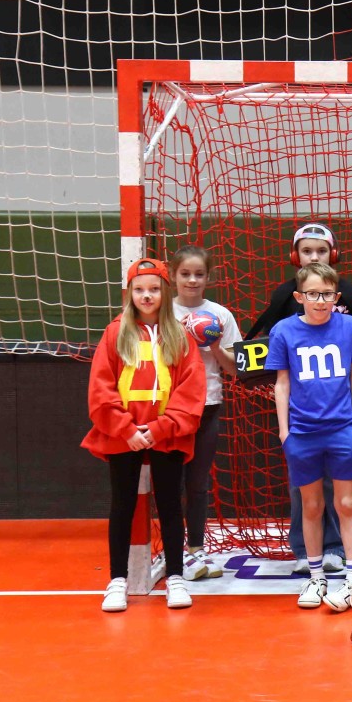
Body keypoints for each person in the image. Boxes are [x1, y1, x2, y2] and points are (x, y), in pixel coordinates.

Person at [245, 223, 352, 576]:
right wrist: (284, 429)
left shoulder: (347, 312)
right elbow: (269, 355)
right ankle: (305, 552)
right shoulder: (285, 312)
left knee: (341, 495)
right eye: (307, 250)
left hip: (341, 421)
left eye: (321, 250)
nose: (314, 256)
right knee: (305, 495)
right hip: (301, 422)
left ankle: (337, 551)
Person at [83, 258, 205, 613]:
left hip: (166, 435)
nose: (146, 296)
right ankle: (117, 580)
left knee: (170, 505)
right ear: (130, 293)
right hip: (123, 435)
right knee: (122, 505)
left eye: (153, 289)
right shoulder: (115, 333)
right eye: (139, 290)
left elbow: (191, 389)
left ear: (165, 292)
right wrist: (125, 429)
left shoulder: (179, 335)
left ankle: (176, 577)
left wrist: (161, 427)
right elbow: (100, 388)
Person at [267, 262, 352, 611]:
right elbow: (282, 383)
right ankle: (315, 577)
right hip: (302, 433)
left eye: (327, 294)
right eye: (313, 294)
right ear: (299, 297)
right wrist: (285, 432)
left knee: (346, 503)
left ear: (337, 296)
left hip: (342, 430)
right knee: (311, 506)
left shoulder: (350, 326)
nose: (321, 301)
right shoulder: (283, 331)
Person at [170, 246, 241, 582]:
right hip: (170, 408)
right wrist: (183, 338)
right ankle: (172, 550)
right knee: (170, 483)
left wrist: (213, 345)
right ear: (173, 276)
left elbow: (235, 369)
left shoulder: (220, 315)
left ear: (208, 277)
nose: (192, 280)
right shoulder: (163, 311)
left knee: (197, 483)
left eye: (199, 274)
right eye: (185, 274)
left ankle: (196, 549)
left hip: (208, 405)